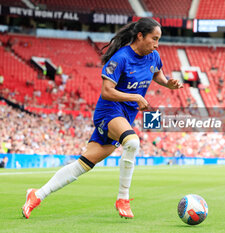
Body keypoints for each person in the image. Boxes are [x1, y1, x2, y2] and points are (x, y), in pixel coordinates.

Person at [22, 18, 183, 219]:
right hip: (108, 111)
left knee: (84, 164)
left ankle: (36, 195)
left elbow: (157, 73)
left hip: (125, 116)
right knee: (132, 142)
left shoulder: (154, 56)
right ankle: (123, 198)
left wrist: (168, 83)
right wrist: (135, 97)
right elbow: (107, 91)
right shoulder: (120, 58)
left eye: (158, 39)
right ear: (140, 36)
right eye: (154, 38)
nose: (157, 44)